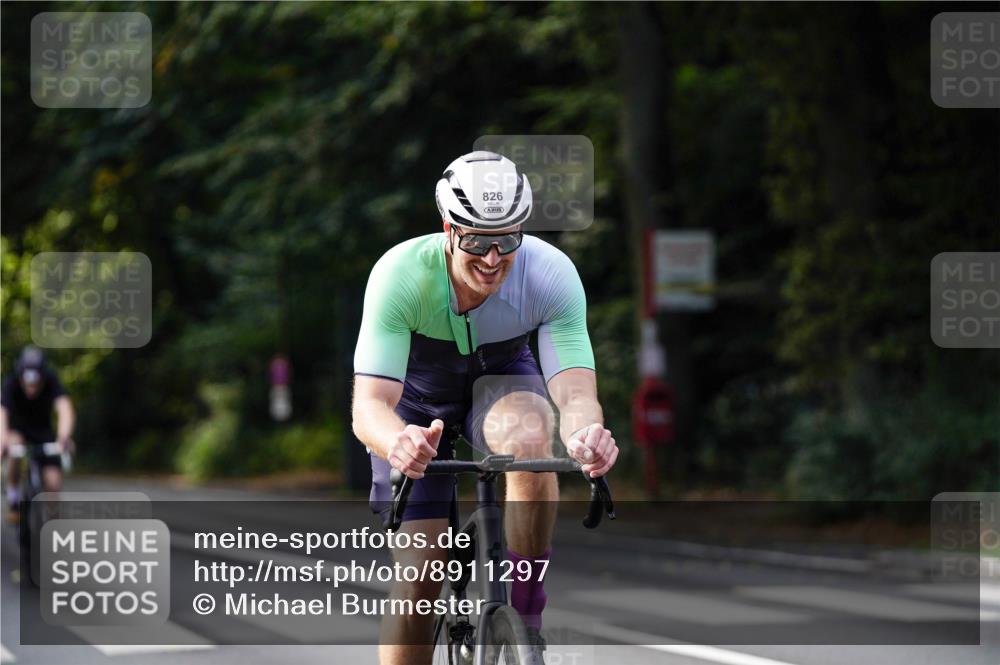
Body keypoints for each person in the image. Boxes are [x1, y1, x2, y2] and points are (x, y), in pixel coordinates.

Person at [352, 151, 619, 665]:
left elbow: (576, 394)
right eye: (476, 241)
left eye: (507, 240)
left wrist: (585, 434)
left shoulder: (550, 273)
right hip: (415, 400)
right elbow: (370, 406)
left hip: (500, 379)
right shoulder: (400, 274)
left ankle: (526, 617)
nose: (493, 258)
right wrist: (397, 442)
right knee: (420, 578)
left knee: (532, 441)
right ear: (448, 229)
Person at [1, 346, 75, 521]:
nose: (31, 386)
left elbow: (64, 408)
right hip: (17, 431)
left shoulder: (51, 380)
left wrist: (64, 436)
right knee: (15, 448)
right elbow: (2, 412)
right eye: (27, 380)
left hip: (44, 434)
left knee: (53, 484)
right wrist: (2, 438)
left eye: (36, 380)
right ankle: (14, 499)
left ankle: (54, 525)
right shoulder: (11, 382)